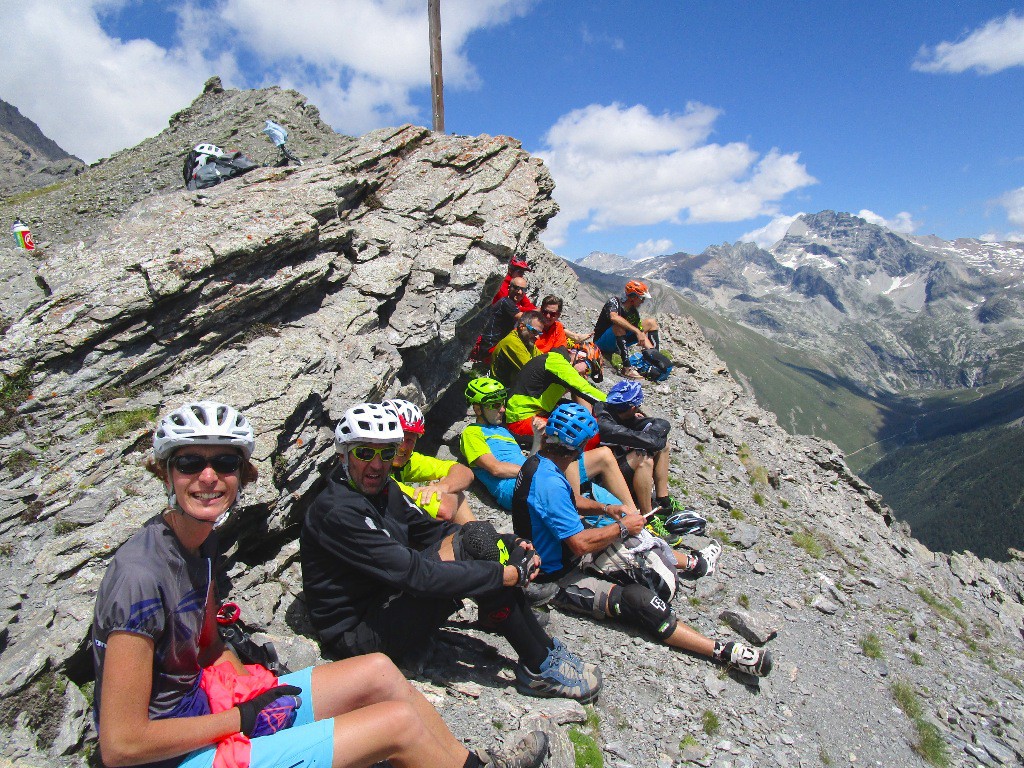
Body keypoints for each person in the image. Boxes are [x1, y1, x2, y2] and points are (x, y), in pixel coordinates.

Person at [91, 400, 548, 768]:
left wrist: (250, 683)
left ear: (241, 475)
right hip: (174, 755)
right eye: (191, 462)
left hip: (209, 707)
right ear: (166, 472)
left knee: (379, 673)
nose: (209, 477)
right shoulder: (140, 576)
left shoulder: (199, 545)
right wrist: (242, 717)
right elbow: (122, 746)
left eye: (225, 463)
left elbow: (208, 647)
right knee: (395, 725)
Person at [300, 402, 602, 704]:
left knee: (478, 538)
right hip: (359, 634)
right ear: (344, 454)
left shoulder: (382, 489)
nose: (377, 465)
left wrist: (509, 543)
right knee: (485, 566)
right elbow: (415, 575)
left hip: (384, 596)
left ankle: (543, 648)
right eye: (365, 453)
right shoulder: (338, 512)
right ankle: (539, 666)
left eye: (386, 453)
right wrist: (502, 575)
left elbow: (435, 531)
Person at [511, 403, 773, 678]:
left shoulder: (540, 463)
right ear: (577, 447)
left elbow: (569, 501)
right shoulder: (550, 482)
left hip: (557, 552)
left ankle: (692, 564)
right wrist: (622, 527)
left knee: (637, 546)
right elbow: (579, 544)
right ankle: (723, 651)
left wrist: (605, 509)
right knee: (639, 601)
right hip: (554, 577)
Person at [384, 398, 476, 524]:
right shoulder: (377, 474)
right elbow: (444, 511)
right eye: (398, 439)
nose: (403, 447)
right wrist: (449, 490)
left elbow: (464, 472)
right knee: (455, 494)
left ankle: (482, 539)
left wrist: (444, 486)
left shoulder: (408, 460)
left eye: (410, 440)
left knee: (452, 488)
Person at [504, 347, 606, 441]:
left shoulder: (558, 361)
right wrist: (613, 402)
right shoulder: (557, 362)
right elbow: (583, 388)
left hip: (533, 413)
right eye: (587, 370)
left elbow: (579, 392)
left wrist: (589, 418)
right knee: (581, 436)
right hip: (520, 421)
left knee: (576, 415)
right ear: (580, 357)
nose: (586, 376)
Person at [593, 280, 662, 380]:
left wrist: (656, 357)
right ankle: (627, 368)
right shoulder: (614, 302)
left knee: (651, 323)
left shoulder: (633, 312)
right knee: (619, 326)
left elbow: (642, 334)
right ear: (633, 297)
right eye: (641, 298)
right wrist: (637, 331)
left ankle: (654, 362)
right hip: (601, 342)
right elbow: (614, 317)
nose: (643, 301)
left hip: (618, 341)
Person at [478, 276, 532, 359]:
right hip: (491, 348)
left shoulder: (510, 303)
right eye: (516, 288)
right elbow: (522, 318)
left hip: (496, 346)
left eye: (523, 289)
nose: (520, 292)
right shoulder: (506, 302)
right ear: (509, 288)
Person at [489, 310, 543, 388]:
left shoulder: (527, 342)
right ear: (522, 326)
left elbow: (542, 359)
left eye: (539, 333)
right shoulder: (512, 342)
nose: (537, 337)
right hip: (501, 390)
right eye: (534, 331)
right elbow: (532, 371)